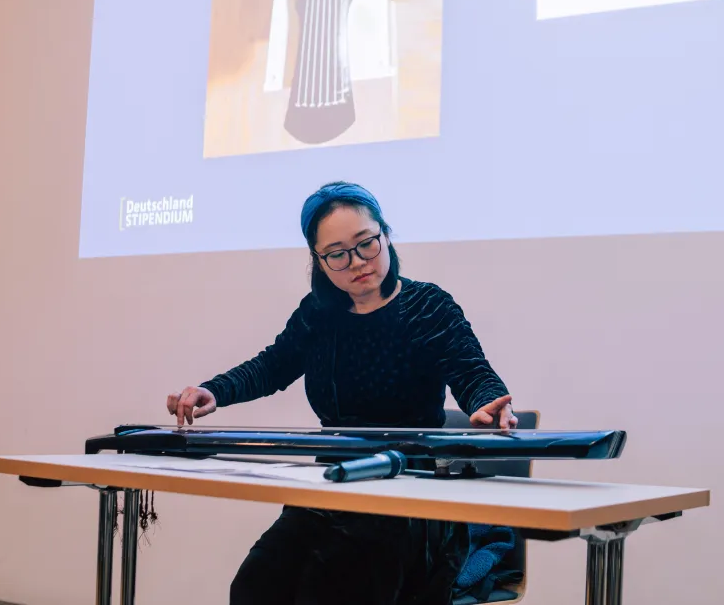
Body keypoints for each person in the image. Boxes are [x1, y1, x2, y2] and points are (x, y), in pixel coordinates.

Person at [167, 181, 517, 605]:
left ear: (385, 235)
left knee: (328, 588)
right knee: (255, 586)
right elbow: (272, 366)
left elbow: (473, 373)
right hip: (331, 487)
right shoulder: (319, 314)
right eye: (337, 254)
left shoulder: (428, 306)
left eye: (366, 243)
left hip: (407, 494)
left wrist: (488, 403)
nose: (357, 262)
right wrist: (214, 391)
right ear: (318, 261)